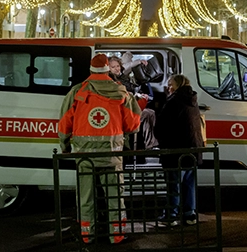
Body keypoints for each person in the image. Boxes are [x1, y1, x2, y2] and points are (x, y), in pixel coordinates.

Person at [59, 54, 141, 244]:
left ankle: (87, 235)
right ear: (107, 69)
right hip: (111, 154)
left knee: (86, 196)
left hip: (84, 156)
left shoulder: (77, 91)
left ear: (90, 69)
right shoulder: (120, 91)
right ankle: (116, 235)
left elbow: (64, 123)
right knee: (115, 195)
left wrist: (65, 147)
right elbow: (133, 124)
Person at [153, 74, 204, 227]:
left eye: (170, 85)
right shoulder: (192, 100)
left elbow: (162, 126)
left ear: (178, 85)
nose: (168, 88)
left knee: (173, 184)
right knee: (189, 184)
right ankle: (190, 214)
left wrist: (160, 142)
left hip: (176, 151)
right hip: (193, 150)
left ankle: (171, 216)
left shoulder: (174, 102)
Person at [109, 56, 158, 150]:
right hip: (121, 112)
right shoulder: (111, 81)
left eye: (117, 66)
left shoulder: (123, 77)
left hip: (129, 107)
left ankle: (150, 145)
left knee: (150, 113)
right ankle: (150, 145)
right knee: (148, 114)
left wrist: (138, 95)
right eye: (113, 67)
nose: (116, 69)